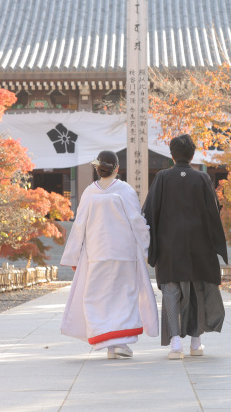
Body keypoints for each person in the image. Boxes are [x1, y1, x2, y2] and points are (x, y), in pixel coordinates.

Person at [60, 150, 158, 358]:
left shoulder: (89, 192)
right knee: (124, 296)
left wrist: (73, 256)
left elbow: (79, 226)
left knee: (98, 298)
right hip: (124, 252)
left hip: (96, 253)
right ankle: (120, 343)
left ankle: (109, 344)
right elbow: (137, 222)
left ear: (97, 168)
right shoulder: (125, 190)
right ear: (117, 169)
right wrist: (148, 248)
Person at [143, 134, 228, 359]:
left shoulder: (162, 178)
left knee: (171, 291)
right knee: (196, 292)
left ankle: (175, 345)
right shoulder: (201, 179)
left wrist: (149, 246)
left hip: (169, 247)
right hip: (198, 247)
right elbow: (213, 213)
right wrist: (217, 245)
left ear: (171, 155)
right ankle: (195, 342)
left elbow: (149, 212)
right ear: (192, 155)